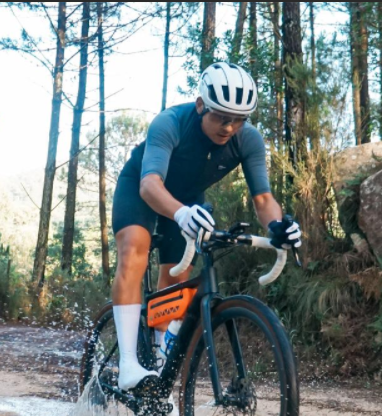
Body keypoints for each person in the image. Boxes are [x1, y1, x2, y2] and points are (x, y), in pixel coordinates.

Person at [110, 62, 301, 391]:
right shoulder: (169, 123)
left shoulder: (248, 141)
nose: (229, 127)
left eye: (238, 119)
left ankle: (157, 373)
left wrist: (278, 227)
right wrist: (181, 214)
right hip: (143, 188)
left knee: (177, 278)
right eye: (222, 117)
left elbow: (263, 199)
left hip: (188, 199)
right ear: (201, 106)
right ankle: (128, 363)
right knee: (134, 250)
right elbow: (150, 185)